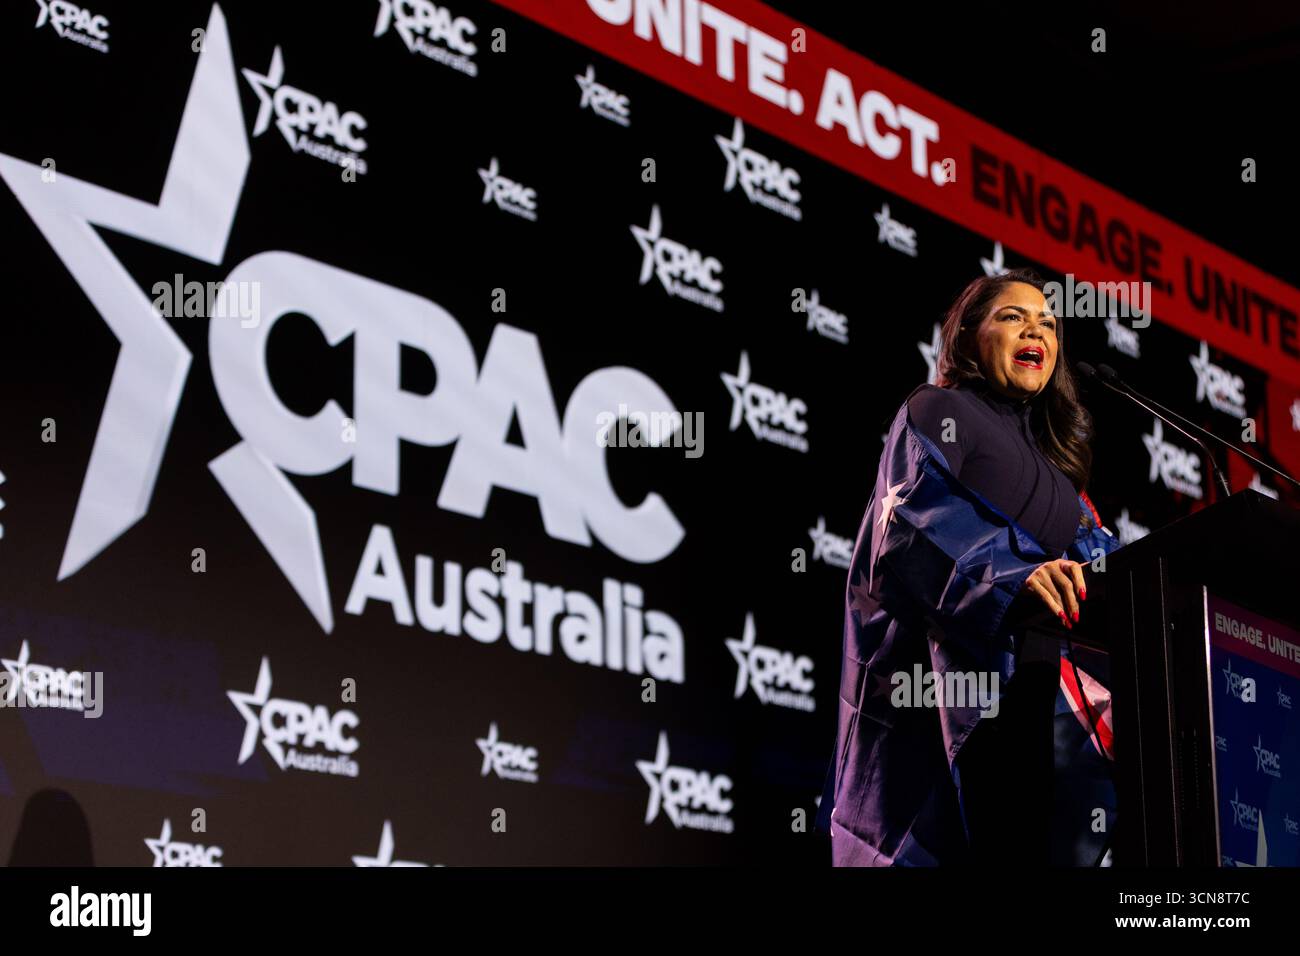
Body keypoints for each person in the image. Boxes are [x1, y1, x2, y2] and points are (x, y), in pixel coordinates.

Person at [816, 268, 1120, 866]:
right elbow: (911, 522)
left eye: (1049, 323)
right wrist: (1012, 572)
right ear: (968, 337)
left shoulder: (1064, 481)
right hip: (943, 710)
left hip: (1038, 725)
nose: (1036, 328)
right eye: (1013, 316)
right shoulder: (939, 409)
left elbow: (1103, 568)